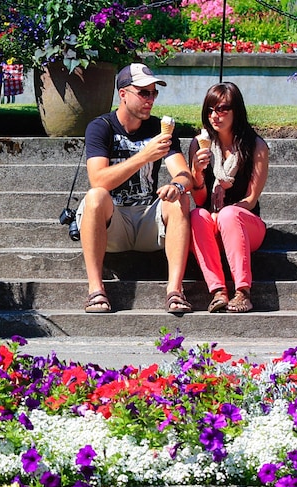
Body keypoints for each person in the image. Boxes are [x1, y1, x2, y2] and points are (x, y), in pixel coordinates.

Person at [77, 63, 194, 313]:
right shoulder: (101, 127)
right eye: (143, 93)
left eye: (153, 93)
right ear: (123, 94)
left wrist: (176, 185)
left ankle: (175, 290)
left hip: (147, 222)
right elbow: (98, 180)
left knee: (180, 198)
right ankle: (96, 290)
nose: (150, 99)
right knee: (95, 196)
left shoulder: (160, 129)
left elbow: (185, 175)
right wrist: (144, 156)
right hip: (114, 223)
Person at [187, 82, 269, 313]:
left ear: (236, 112)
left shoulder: (256, 146)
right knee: (196, 215)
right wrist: (197, 173)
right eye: (210, 110)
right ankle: (218, 291)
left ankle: (243, 292)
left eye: (222, 109)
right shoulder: (199, 144)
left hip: (246, 225)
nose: (215, 116)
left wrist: (222, 213)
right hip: (212, 223)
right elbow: (200, 198)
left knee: (230, 214)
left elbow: (251, 199)